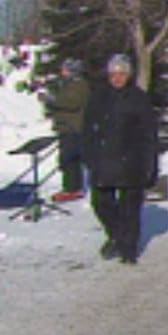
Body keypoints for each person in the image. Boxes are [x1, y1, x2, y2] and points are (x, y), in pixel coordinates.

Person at [82, 54, 158, 264]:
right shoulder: (98, 97)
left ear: (128, 75)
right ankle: (116, 235)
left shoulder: (138, 98)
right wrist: (89, 156)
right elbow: (88, 129)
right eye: (113, 74)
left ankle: (128, 249)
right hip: (103, 161)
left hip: (130, 161)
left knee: (130, 208)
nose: (117, 78)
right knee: (101, 203)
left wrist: (149, 164)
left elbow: (148, 134)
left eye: (121, 74)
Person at [43, 58, 90, 202]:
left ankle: (72, 188)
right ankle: (71, 187)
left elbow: (71, 102)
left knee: (68, 158)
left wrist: (51, 99)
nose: (62, 72)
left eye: (65, 69)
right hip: (67, 127)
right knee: (69, 158)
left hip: (73, 128)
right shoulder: (69, 84)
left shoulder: (78, 85)